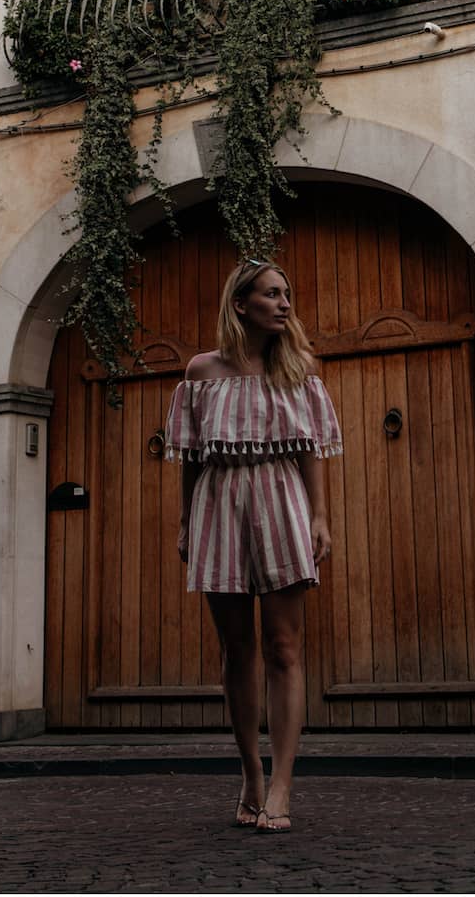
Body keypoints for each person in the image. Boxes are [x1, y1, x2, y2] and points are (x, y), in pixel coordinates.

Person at [166, 258, 343, 833]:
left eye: (287, 294)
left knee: (284, 648)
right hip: (220, 504)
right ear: (241, 304)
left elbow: (310, 450)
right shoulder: (201, 372)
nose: (285, 303)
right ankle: (250, 774)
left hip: (282, 500)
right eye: (272, 294)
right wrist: (187, 520)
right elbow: (192, 457)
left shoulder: (297, 370)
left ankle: (284, 785)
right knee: (237, 651)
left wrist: (319, 515)